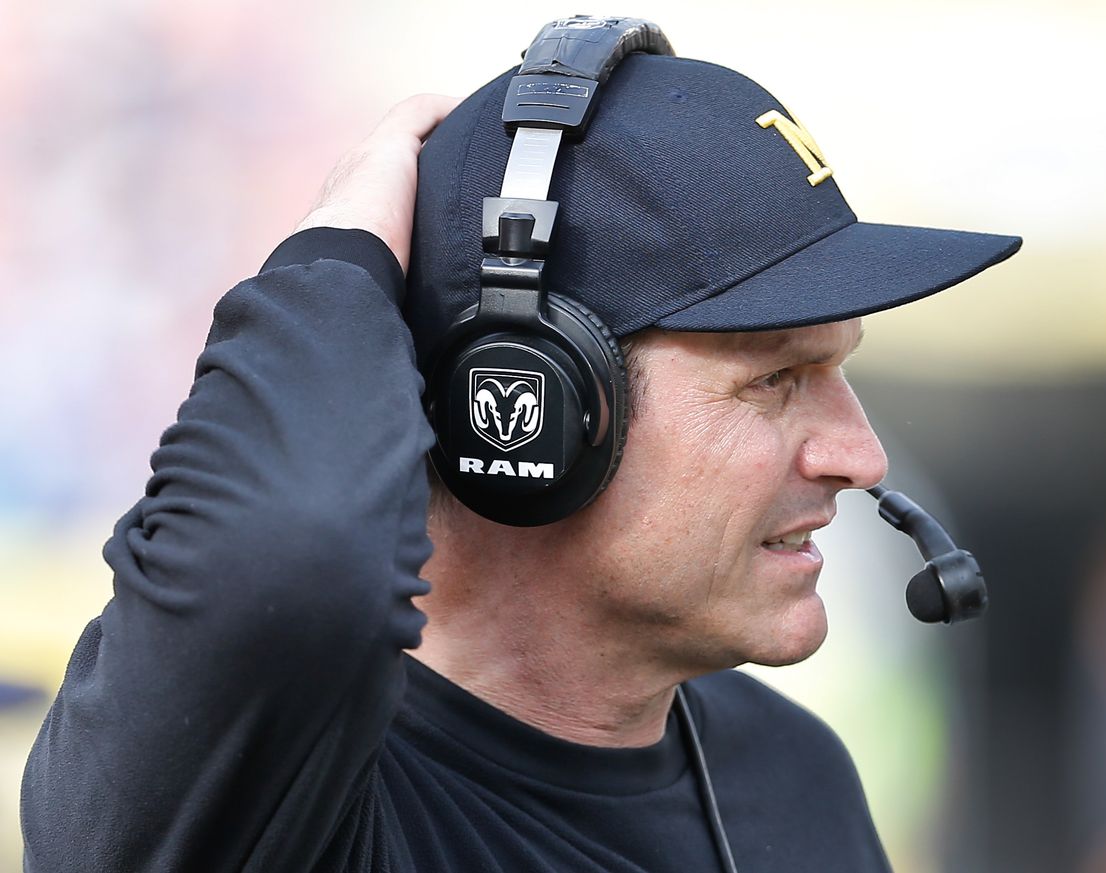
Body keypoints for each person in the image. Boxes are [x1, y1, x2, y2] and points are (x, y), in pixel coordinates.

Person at [21, 18, 1020, 873]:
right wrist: (337, 252)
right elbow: (291, 558)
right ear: (527, 403)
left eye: (838, 370)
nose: (859, 455)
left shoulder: (795, 778)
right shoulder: (257, 791)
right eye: (773, 380)